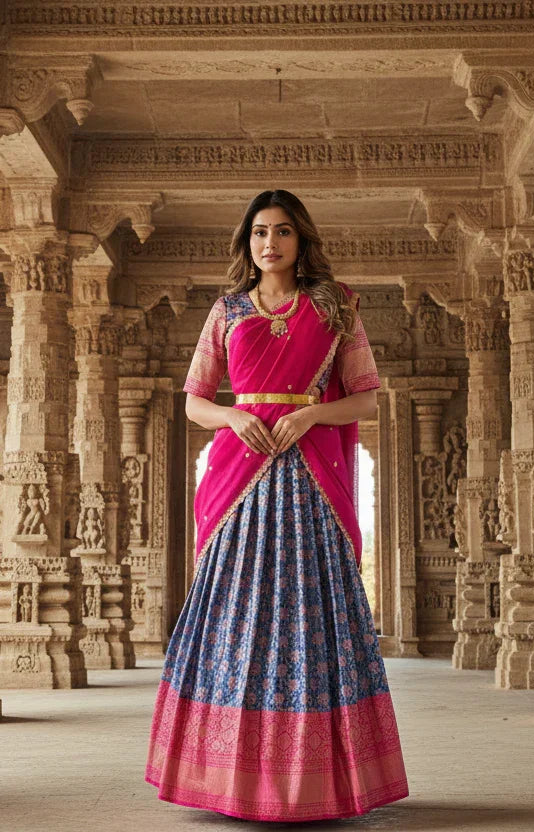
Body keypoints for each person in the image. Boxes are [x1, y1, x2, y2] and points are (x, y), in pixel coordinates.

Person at [145, 189, 409, 822]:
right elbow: (194, 400)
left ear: (300, 238)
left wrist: (310, 414)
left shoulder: (335, 306)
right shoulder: (227, 310)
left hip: (310, 478)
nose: (270, 242)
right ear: (248, 242)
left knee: (310, 616)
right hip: (240, 476)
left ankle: (318, 781)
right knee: (236, 613)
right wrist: (235, 417)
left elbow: (367, 398)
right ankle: (227, 777)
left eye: (283, 231)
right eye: (260, 232)